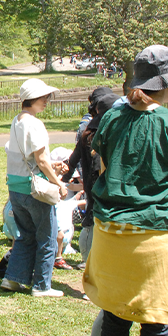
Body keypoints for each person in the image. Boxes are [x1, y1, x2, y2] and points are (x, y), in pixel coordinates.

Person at [83, 45, 168, 336]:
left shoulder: (112, 118)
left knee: (115, 318)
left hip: (111, 233)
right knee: (156, 326)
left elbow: (106, 167)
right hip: (156, 237)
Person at [0, 78, 68, 298]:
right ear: (33, 99)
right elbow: (41, 160)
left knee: (25, 236)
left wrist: (47, 165)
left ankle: (13, 278)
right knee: (46, 237)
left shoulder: (16, 120)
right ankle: (41, 286)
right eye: (44, 97)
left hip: (16, 188)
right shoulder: (35, 123)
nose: (47, 101)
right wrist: (58, 183)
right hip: (34, 189)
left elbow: (28, 157)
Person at [63, 91, 120, 271]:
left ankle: (90, 262)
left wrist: (63, 177)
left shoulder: (88, 132)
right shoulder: (97, 136)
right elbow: (97, 168)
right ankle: (89, 263)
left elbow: (73, 160)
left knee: (91, 223)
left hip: (94, 189)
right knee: (91, 224)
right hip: (100, 189)